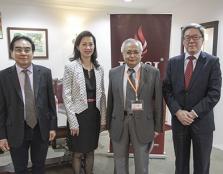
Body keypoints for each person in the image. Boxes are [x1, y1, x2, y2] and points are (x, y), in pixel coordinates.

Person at [163, 23, 222, 174]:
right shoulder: (173, 62)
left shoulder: (212, 62)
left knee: (202, 165)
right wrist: (177, 111)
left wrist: (194, 113)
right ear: (183, 41)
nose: (191, 41)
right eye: (187, 37)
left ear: (202, 40)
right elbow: (167, 90)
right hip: (179, 122)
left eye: (195, 37)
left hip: (202, 123)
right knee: (180, 164)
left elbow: (214, 94)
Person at [0, 35, 57, 174]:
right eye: (18, 49)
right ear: (12, 52)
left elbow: (51, 104)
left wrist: (52, 127)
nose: (23, 53)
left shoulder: (44, 73)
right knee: (20, 169)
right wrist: (2, 136)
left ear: (33, 52)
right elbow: (1, 109)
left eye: (27, 49)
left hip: (41, 128)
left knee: (39, 166)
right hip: (15, 129)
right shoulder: (3, 76)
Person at [107, 38, 163, 174]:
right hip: (120, 121)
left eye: (136, 52)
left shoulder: (153, 72)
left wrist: (157, 127)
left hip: (144, 122)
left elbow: (158, 102)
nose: (132, 55)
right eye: (128, 52)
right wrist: (108, 124)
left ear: (141, 53)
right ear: (122, 54)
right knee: (119, 161)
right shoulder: (113, 72)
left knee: (142, 163)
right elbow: (111, 100)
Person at [63, 30, 106, 174]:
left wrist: (103, 118)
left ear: (94, 46)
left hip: (94, 114)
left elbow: (102, 95)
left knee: (91, 150)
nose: (88, 47)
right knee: (78, 152)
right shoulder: (71, 67)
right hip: (78, 115)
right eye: (84, 44)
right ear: (77, 46)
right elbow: (67, 96)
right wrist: (73, 121)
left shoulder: (99, 68)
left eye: (91, 44)